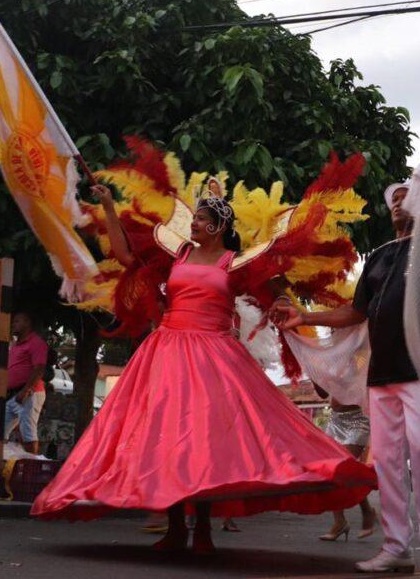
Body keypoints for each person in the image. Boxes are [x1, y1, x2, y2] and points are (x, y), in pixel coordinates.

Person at [31, 184, 377, 555]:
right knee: (168, 438)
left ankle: (205, 531)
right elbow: (126, 254)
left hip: (215, 356)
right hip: (167, 350)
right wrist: (108, 208)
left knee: (207, 444)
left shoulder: (235, 262)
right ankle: (177, 527)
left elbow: (273, 285)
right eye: (194, 217)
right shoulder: (178, 253)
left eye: (200, 219)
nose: (192, 223)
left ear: (216, 227)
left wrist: (279, 300)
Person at [273, 182, 420, 578]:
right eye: (394, 200)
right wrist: (306, 318)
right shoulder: (379, 256)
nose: (398, 204)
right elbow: (356, 313)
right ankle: (395, 548)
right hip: (381, 374)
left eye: (408, 197)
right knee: (387, 462)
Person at [314, 384, 377, 542]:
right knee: (331, 472)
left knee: (343, 468)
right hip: (335, 422)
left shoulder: (361, 361)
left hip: (357, 421)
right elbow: (323, 394)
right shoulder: (331, 363)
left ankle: (366, 512)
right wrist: (314, 375)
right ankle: (340, 521)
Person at [3, 311, 49, 454]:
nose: (13, 324)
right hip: (14, 395)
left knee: (28, 432)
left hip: (29, 393)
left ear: (27, 323)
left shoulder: (36, 343)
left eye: (17, 321)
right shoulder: (16, 345)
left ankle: (31, 466)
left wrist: (26, 390)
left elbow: (39, 368)